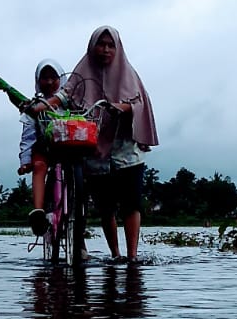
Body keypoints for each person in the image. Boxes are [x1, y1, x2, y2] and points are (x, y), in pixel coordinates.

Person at [28, 26, 158, 262]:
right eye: (101, 44)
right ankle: (115, 254)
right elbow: (66, 94)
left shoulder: (129, 74)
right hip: (96, 151)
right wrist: (42, 106)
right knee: (106, 207)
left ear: (117, 48)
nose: (105, 50)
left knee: (131, 204)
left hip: (126, 151)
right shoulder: (83, 71)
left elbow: (139, 103)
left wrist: (122, 107)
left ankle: (131, 256)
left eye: (110, 45)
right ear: (92, 46)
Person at [18, 59, 64, 235]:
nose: (50, 82)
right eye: (45, 78)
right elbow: (28, 136)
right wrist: (25, 160)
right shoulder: (34, 105)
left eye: (54, 77)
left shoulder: (69, 101)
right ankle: (38, 212)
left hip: (69, 148)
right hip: (44, 149)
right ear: (38, 80)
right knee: (39, 166)